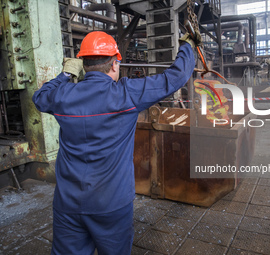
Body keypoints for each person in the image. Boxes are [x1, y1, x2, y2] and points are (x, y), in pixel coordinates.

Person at [32, 30, 200, 255]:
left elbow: (40, 97)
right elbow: (175, 78)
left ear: (83, 64)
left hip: (68, 203)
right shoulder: (127, 94)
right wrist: (188, 47)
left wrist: (64, 74)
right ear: (114, 64)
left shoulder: (63, 95)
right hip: (111, 204)